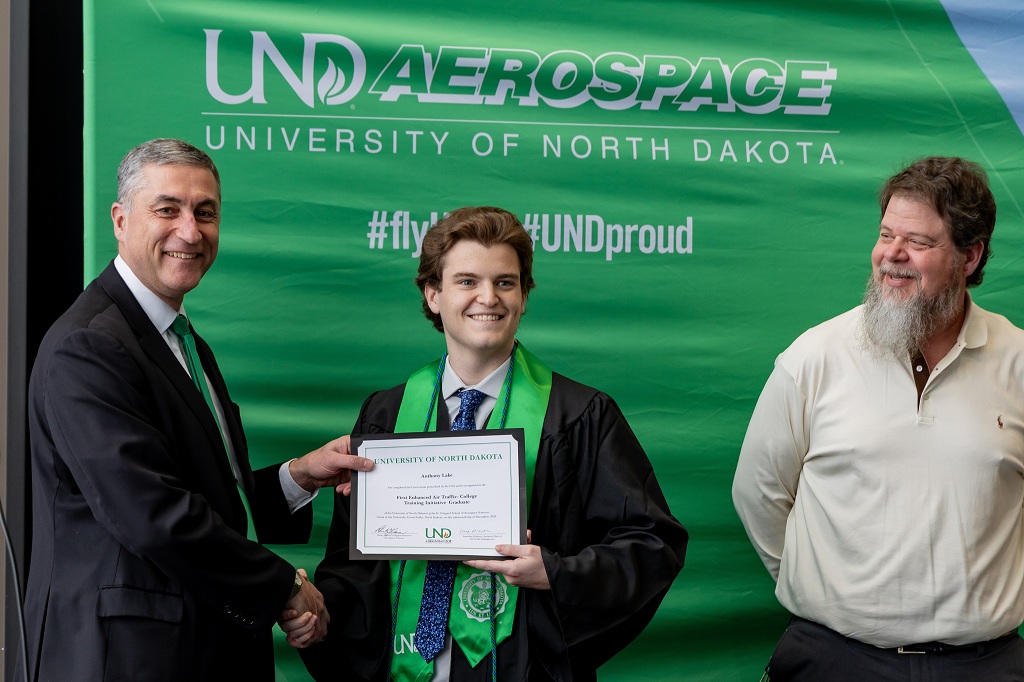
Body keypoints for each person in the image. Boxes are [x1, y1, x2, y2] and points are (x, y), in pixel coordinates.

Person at [24, 138, 374, 682]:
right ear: (120, 220)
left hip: (197, 650)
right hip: (129, 660)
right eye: (167, 209)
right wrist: (286, 586)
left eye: (205, 213)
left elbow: (207, 496)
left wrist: (298, 477)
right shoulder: (90, 346)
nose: (190, 231)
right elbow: (154, 517)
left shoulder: (180, 340)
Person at [295, 206, 687, 681]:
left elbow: (652, 545)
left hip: (522, 664)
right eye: (466, 281)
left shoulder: (580, 416)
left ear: (524, 297)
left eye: (505, 282)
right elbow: (350, 568)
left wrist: (556, 571)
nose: (488, 297)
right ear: (433, 294)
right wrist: (317, 613)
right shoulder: (385, 417)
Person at [732, 156, 1024, 680]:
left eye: (919, 241)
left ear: (970, 256)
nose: (892, 255)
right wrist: (826, 592)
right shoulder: (814, 357)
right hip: (833, 659)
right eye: (886, 234)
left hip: (985, 665)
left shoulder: (1018, 362)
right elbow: (759, 495)